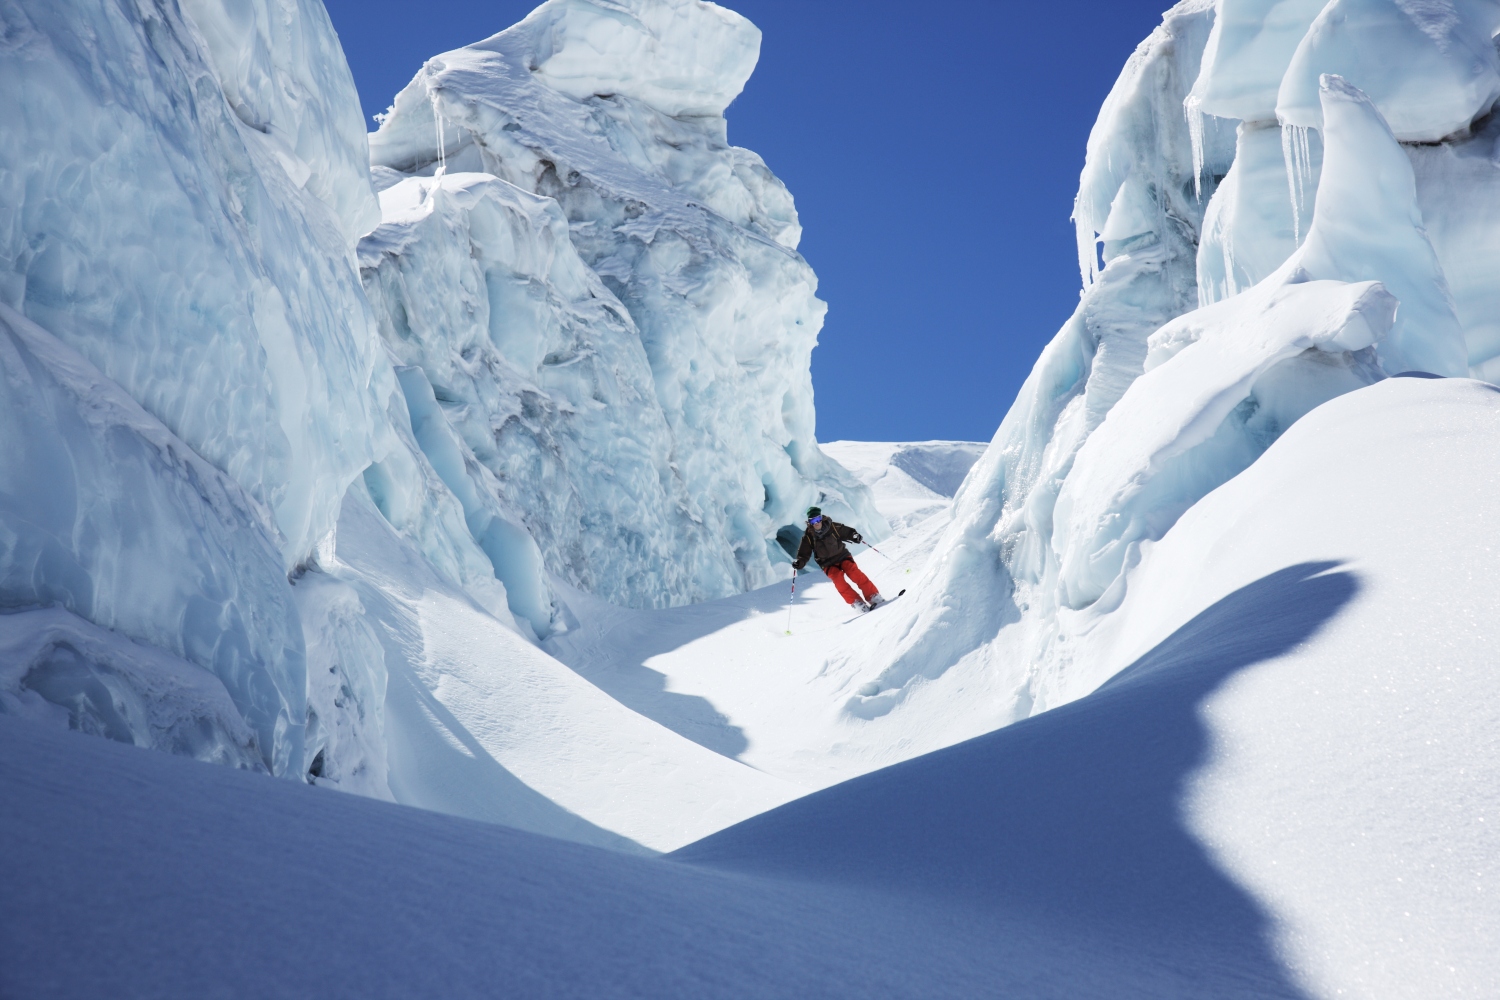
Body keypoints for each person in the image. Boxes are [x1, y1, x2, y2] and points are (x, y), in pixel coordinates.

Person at [791, 506, 884, 611]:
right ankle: (857, 602)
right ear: (809, 522)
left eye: (817, 519)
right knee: (838, 581)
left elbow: (846, 532)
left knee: (854, 573)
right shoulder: (808, 536)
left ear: (821, 518)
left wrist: (854, 536)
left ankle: (873, 596)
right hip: (827, 564)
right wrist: (799, 562)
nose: (816, 523)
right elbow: (804, 553)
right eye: (812, 521)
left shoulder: (832, 527)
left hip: (842, 556)